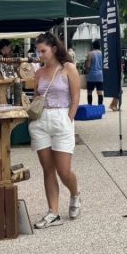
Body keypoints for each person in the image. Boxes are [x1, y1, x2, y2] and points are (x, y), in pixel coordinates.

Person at [29, 32, 81, 228]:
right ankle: (53, 212)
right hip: (41, 121)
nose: (40, 54)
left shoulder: (68, 68)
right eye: (38, 51)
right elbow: (36, 96)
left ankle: (75, 194)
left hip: (61, 118)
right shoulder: (38, 73)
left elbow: (75, 97)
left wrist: (69, 119)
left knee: (64, 170)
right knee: (48, 169)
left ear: (54, 49)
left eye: (43, 50)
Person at [84, 39, 105, 108]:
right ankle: (100, 107)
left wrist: (86, 71)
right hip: (100, 76)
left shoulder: (90, 54)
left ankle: (90, 106)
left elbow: (88, 66)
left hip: (91, 76)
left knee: (89, 92)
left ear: (93, 46)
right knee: (100, 92)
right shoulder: (102, 54)